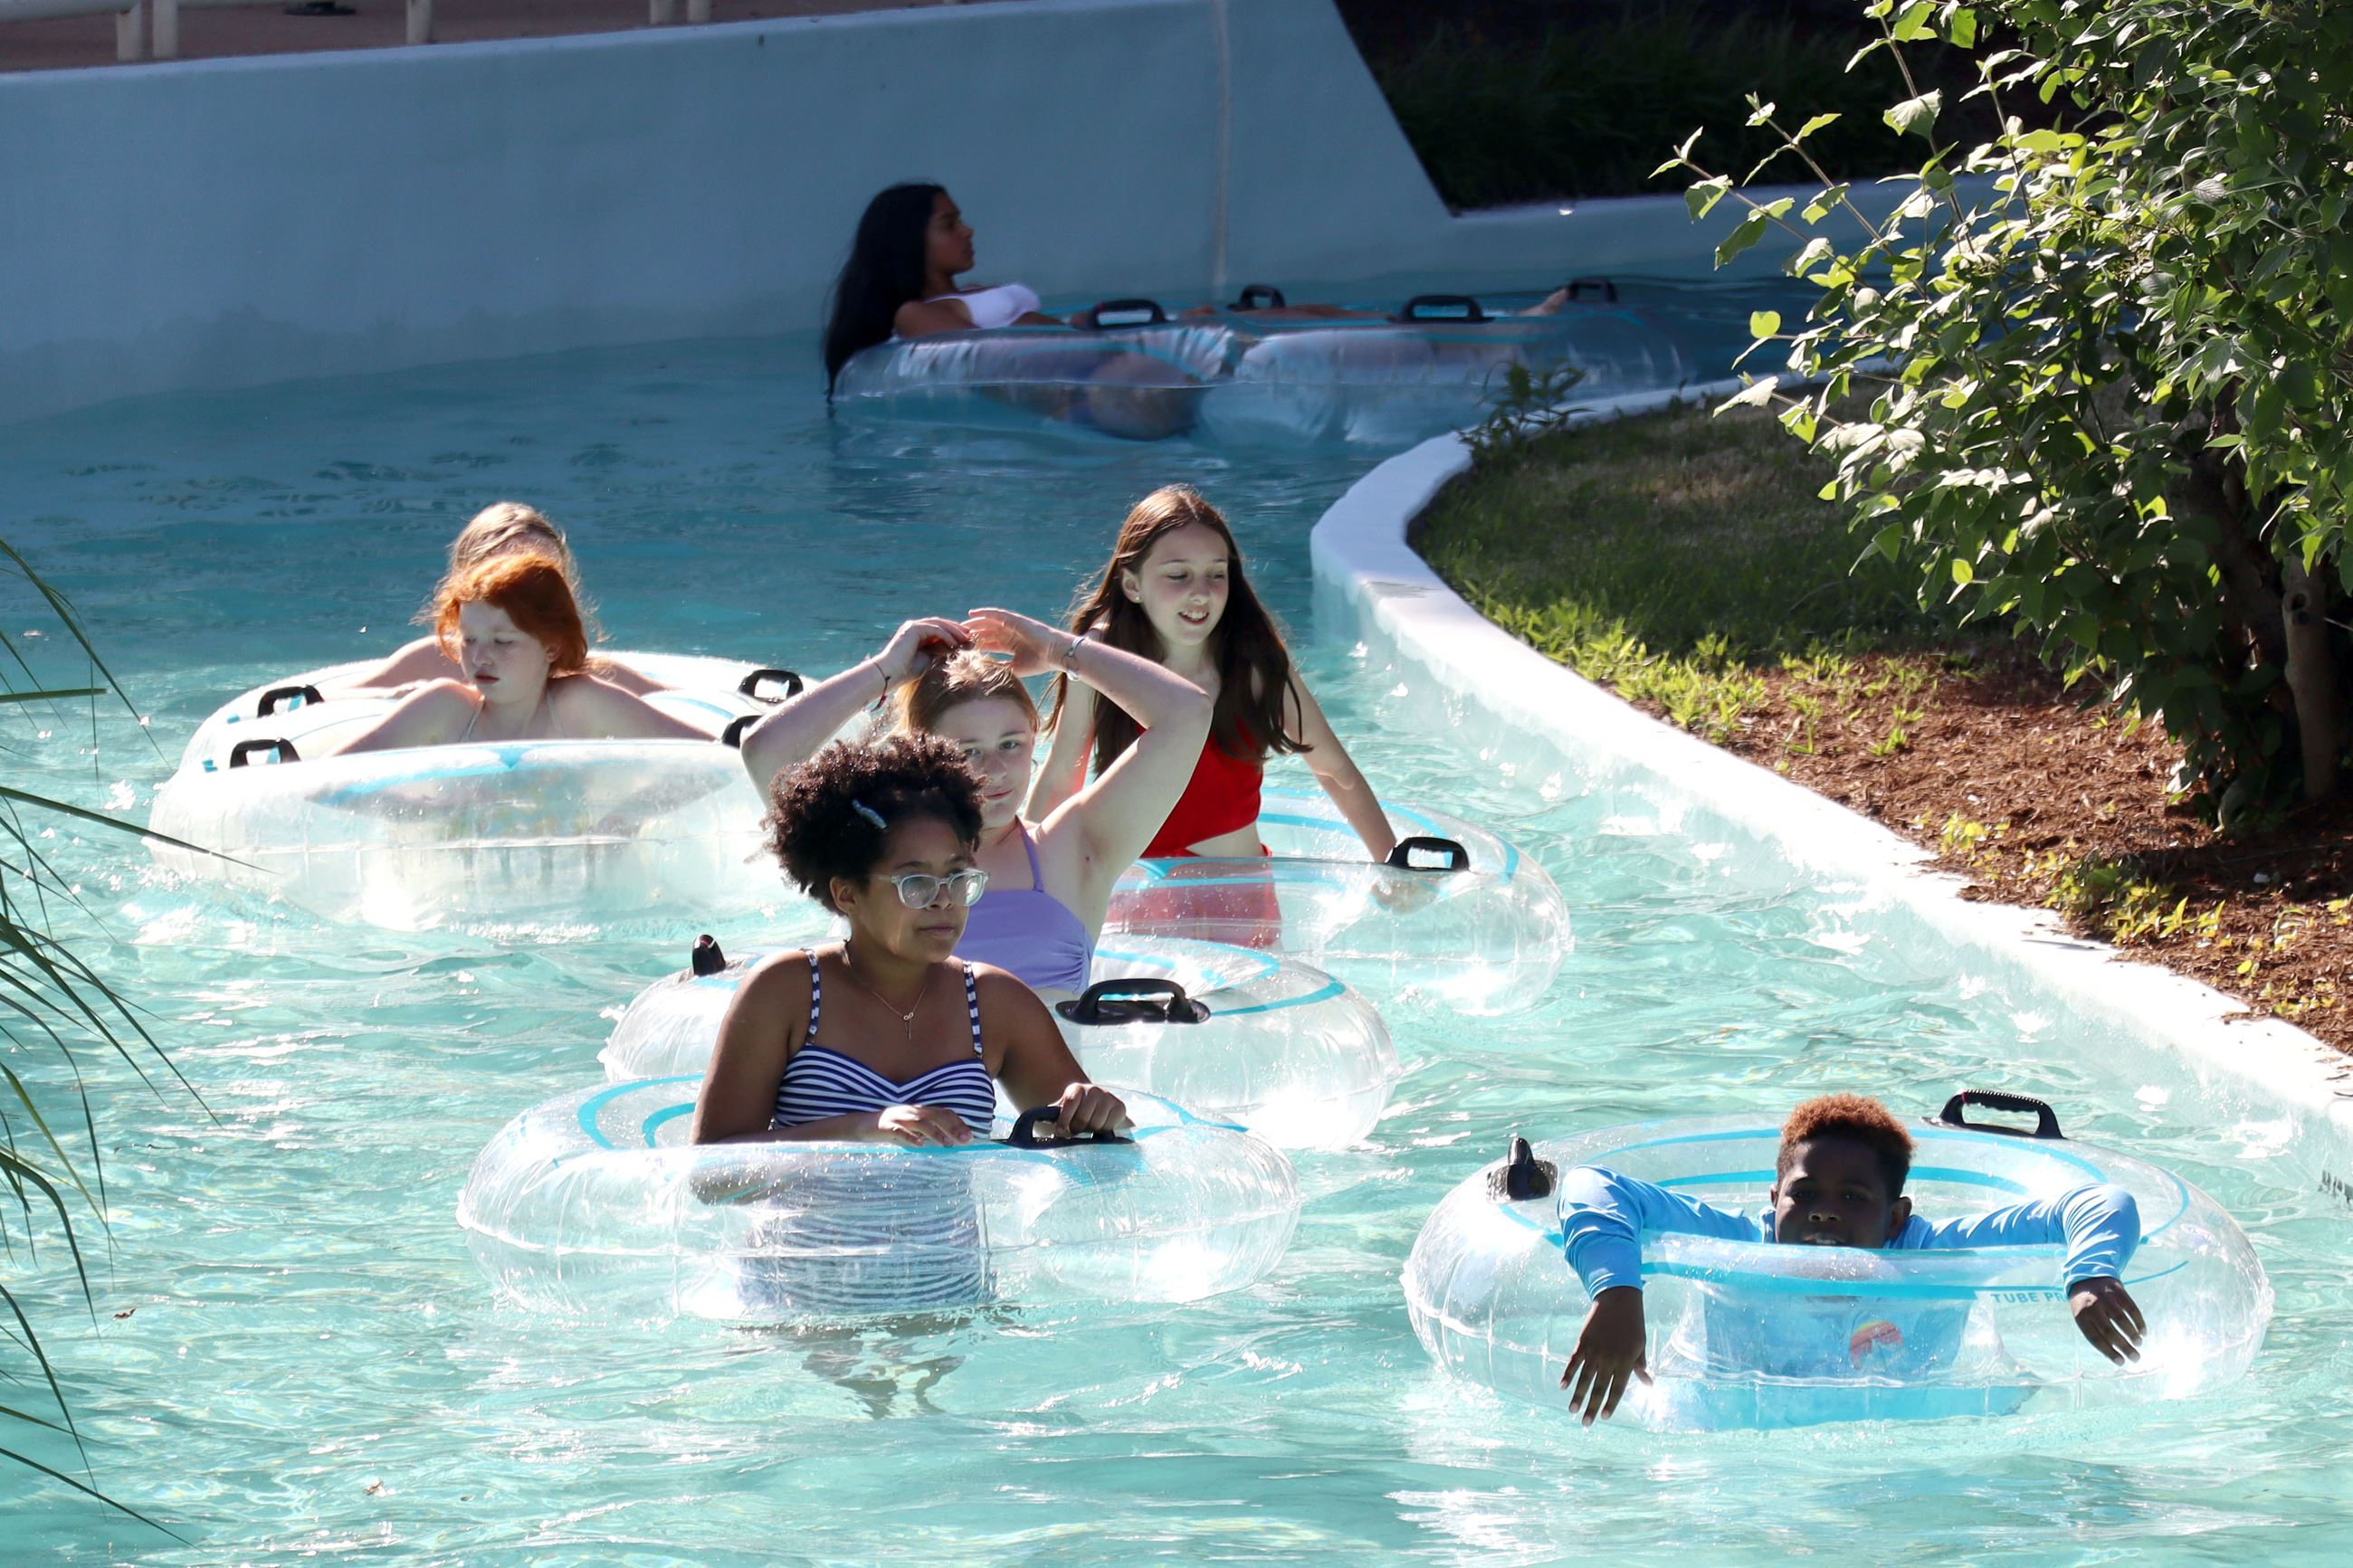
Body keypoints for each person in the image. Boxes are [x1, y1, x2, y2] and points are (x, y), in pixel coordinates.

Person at [1556, 1093, 2148, 1427]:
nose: (1822, 1213)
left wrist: (2090, 1272)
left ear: (1896, 1216)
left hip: (1914, 1440)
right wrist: (1616, 1292)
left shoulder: (1933, 1249)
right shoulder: (1740, 1240)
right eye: (1804, 1194)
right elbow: (1590, 1185)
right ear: (1774, 1200)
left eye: (1854, 1197)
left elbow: (2102, 1199)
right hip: (1740, 1448)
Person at [731, 610, 1211, 1002]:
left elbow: (1187, 714)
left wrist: (1057, 651)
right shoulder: (869, 841)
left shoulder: (1075, 846)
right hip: (902, 1116)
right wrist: (885, 671)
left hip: (1043, 1117)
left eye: (1011, 744)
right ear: (921, 750)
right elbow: (764, 753)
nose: (996, 773)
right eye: (968, 751)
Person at [690, 732, 1129, 1149]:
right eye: (915, 883)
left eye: (957, 878)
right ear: (847, 893)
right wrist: (861, 1130)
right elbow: (709, 1172)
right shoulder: (787, 990)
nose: (944, 901)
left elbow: (1096, 1147)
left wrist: (1095, 1111)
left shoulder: (997, 1002)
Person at [1030, 484, 1397, 864]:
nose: (1201, 594)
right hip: (1135, 898)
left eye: (1216, 575)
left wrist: (1391, 860)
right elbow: (1061, 778)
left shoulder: (1252, 663)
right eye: (1178, 576)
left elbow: (1334, 770)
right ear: (1132, 584)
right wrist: (1025, 887)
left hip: (1241, 901)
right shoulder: (1099, 659)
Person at [328, 553, 719, 754]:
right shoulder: (444, 709)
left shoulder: (583, 703)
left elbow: (715, 757)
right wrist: (418, 815)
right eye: (468, 640)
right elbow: (326, 779)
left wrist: (631, 816)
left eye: (502, 642)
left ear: (551, 645)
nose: (480, 657)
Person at [336, 501, 664, 697]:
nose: (519, 599)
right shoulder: (434, 662)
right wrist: (397, 699)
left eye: (538, 582)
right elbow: (334, 705)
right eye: (503, 582)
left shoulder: (588, 675)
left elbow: (680, 705)